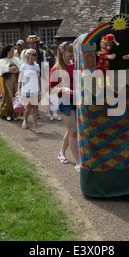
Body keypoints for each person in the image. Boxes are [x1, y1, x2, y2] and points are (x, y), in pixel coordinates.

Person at [50, 41, 80, 172]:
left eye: (73, 51)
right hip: (64, 101)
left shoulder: (76, 66)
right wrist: (63, 89)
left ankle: (61, 152)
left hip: (78, 101)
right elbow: (52, 89)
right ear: (63, 53)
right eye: (70, 52)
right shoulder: (55, 69)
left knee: (71, 130)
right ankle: (79, 163)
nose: (72, 54)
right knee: (73, 131)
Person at [18, 48, 42, 133]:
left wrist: (41, 90)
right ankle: (25, 120)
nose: (36, 56)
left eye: (36, 54)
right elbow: (20, 79)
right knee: (28, 108)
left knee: (35, 107)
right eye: (34, 55)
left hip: (35, 89)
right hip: (26, 89)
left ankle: (35, 126)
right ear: (29, 56)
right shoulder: (23, 66)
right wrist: (18, 90)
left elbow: (38, 78)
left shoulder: (37, 66)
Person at [0, 45, 22, 121]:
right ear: (8, 51)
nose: (13, 52)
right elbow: (3, 70)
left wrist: (13, 69)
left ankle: (15, 114)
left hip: (15, 80)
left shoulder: (16, 59)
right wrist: (11, 69)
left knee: (15, 96)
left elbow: (20, 68)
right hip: (7, 80)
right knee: (9, 96)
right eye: (12, 50)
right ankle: (8, 113)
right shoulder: (2, 60)